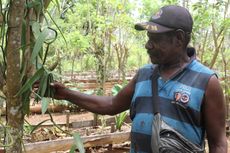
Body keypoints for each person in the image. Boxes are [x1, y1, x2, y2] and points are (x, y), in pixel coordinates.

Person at [49, 5, 227, 153]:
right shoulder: (144, 75)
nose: (147, 45)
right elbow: (111, 105)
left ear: (179, 38)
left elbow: (218, 143)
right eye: (148, 38)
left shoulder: (207, 82)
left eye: (155, 39)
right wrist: (66, 94)